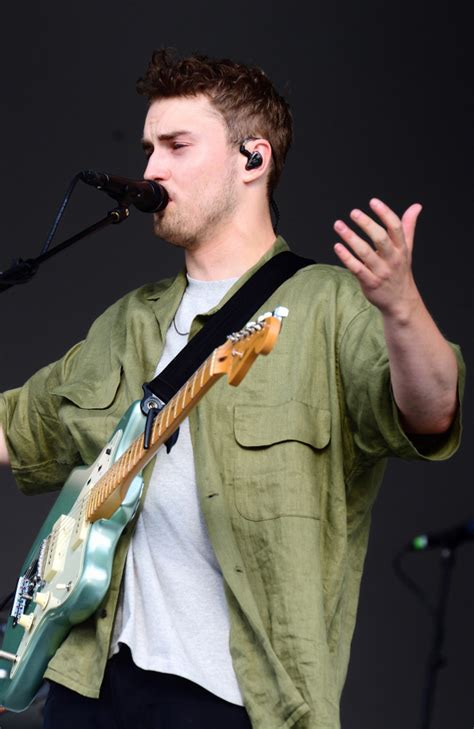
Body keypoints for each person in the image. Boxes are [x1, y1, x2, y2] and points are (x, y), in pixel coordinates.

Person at [0, 49, 464, 729]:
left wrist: (401, 308)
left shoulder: (330, 306)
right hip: (89, 683)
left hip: (237, 702)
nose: (151, 167)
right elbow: (18, 430)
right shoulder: (132, 320)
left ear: (254, 159)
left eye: (177, 145)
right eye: (149, 146)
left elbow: (434, 409)